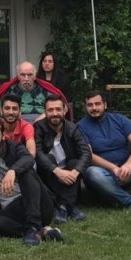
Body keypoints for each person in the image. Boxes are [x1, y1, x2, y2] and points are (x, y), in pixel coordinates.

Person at [0, 117, 63, 247]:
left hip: (36, 204)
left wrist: (13, 171)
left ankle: (33, 226)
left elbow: (29, 159)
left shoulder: (15, 147)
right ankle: (39, 231)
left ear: (3, 135)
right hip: (11, 211)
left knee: (27, 172)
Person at [33, 95, 90, 223]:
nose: (55, 113)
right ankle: (70, 207)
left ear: (64, 111)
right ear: (45, 112)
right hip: (49, 173)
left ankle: (63, 206)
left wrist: (75, 172)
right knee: (48, 158)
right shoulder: (38, 127)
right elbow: (38, 153)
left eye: (58, 109)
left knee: (75, 163)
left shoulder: (72, 128)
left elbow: (86, 152)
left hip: (69, 173)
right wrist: (57, 171)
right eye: (50, 110)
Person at [0, 61, 68, 122]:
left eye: (30, 75)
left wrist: (42, 117)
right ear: (18, 76)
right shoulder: (10, 90)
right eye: (23, 75)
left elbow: (62, 108)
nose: (26, 78)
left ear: (35, 76)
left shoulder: (45, 90)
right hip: (17, 125)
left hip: (43, 123)